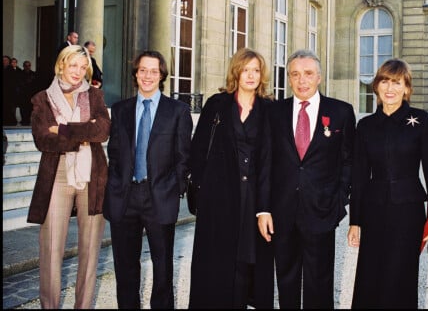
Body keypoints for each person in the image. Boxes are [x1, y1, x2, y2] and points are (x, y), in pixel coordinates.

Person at [258, 49, 356, 309]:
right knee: (286, 279)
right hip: (282, 210)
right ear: (289, 79)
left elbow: (348, 162)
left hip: (322, 210)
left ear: (319, 77)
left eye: (308, 74)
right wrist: (264, 209)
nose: (302, 80)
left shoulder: (341, 112)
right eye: (295, 74)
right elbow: (265, 163)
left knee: (320, 282)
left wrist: (339, 201)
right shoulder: (273, 112)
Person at [346, 59, 428, 308]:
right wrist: (355, 221)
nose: (390, 88)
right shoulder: (366, 125)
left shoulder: (421, 121)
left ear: (407, 88)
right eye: (385, 81)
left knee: (401, 275)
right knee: (371, 273)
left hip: (408, 211)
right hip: (373, 209)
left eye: (397, 82)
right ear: (376, 87)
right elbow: (359, 176)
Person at [104, 50, 193, 309]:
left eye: (154, 71)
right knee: (125, 265)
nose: (148, 76)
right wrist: (116, 184)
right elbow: (115, 152)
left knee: (163, 264)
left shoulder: (177, 111)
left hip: (160, 197)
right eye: (143, 70)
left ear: (162, 75)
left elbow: (183, 156)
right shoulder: (120, 110)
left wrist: (175, 187)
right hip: (125, 196)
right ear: (136, 73)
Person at [188, 47, 274, 309]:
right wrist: (203, 189)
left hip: (254, 198)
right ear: (236, 71)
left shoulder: (270, 109)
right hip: (219, 196)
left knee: (249, 259)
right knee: (217, 261)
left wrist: (266, 204)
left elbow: (273, 157)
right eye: (245, 69)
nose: (251, 75)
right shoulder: (217, 104)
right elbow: (198, 149)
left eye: (256, 70)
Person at [27, 45, 111, 308]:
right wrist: (83, 133)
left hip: (92, 175)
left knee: (90, 250)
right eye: (72, 65)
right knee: (51, 249)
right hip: (57, 174)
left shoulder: (95, 96)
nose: (78, 71)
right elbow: (43, 139)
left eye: (82, 67)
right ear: (61, 65)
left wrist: (62, 129)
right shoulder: (42, 98)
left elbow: (103, 132)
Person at [19, 60, 40, 125]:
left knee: (30, 109)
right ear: (23, 66)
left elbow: (36, 85)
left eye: (29, 65)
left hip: (31, 94)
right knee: (23, 109)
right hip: (23, 95)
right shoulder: (20, 74)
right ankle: (24, 121)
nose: (27, 67)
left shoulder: (34, 74)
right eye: (26, 66)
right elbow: (19, 84)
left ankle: (29, 121)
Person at [3, 55, 19, 125]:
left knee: (9, 107)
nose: (4, 62)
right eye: (3, 60)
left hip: (10, 92)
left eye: (6, 60)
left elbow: (15, 81)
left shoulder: (12, 70)